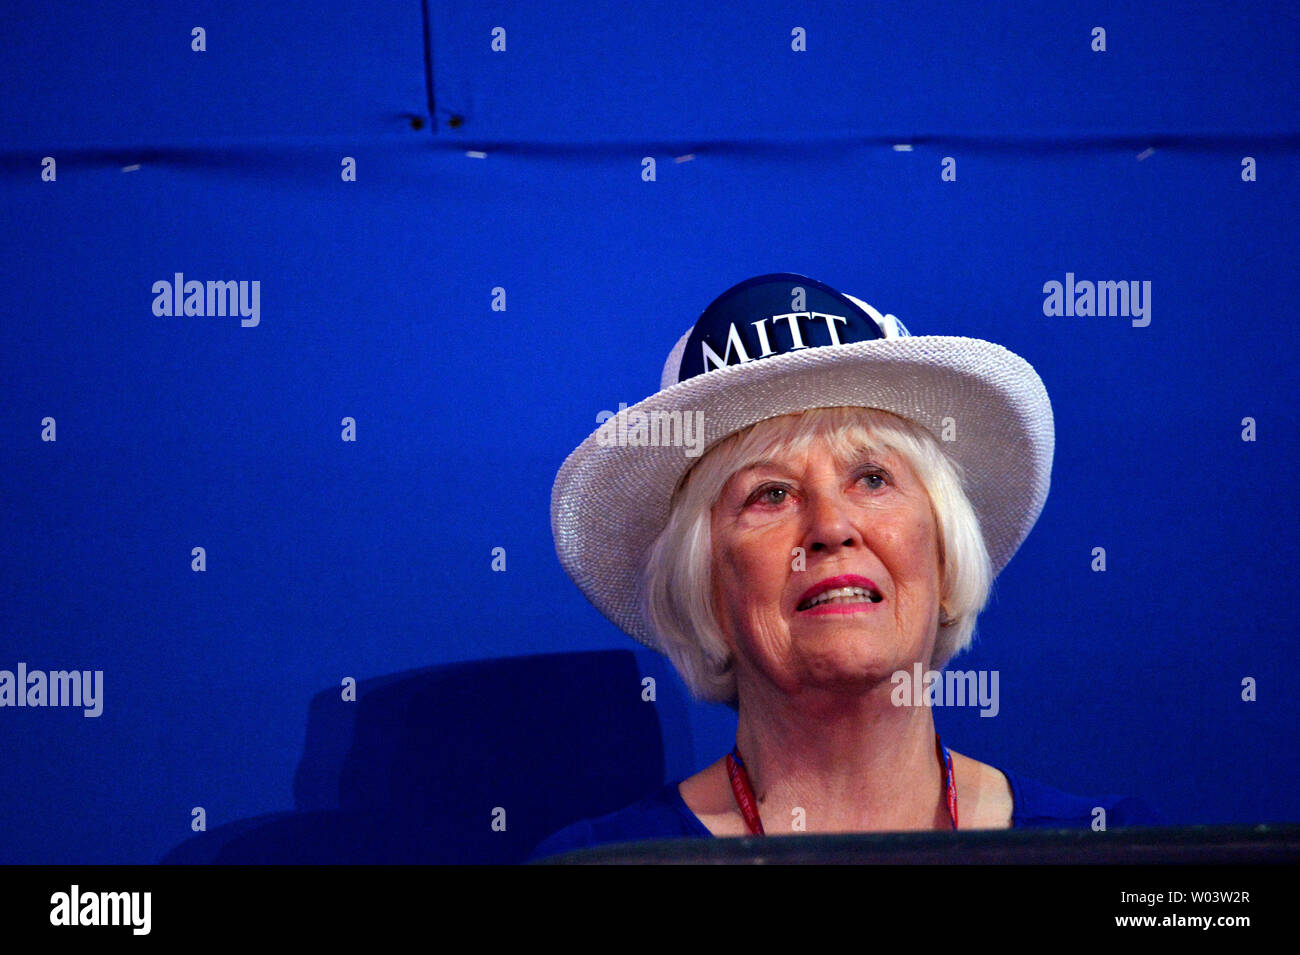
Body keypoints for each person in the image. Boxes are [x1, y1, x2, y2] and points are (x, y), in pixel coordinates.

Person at [534, 273, 1163, 859]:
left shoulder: (1124, 856)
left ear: (943, 560)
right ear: (707, 591)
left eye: (872, 478)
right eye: (770, 494)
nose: (831, 528)